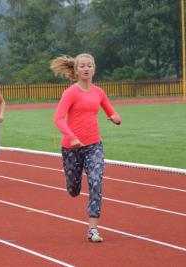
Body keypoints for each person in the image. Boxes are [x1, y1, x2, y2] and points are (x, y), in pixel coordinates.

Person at [51, 54, 121, 242]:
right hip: (71, 148)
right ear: (76, 70)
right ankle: (71, 182)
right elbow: (58, 118)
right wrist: (72, 137)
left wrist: (116, 117)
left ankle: (93, 229)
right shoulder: (71, 93)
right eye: (82, 66)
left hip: (94, 145)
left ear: (94, 69)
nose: (86, 69)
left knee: (96, 182)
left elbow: (111, 110)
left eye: (89, 65)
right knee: (74, 190)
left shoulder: (99, 92)